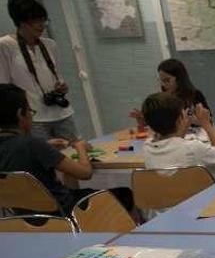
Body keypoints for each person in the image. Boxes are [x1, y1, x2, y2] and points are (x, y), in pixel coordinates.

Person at [0, 83, 133, 215]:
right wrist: (80, 147)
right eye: (30, 111)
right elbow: (85, 173)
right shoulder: (33, 144)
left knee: (69, 181)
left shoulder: (31, 145)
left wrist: (46, 146)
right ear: (20, 114)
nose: (31, 115)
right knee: (125, 194)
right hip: (65, 211)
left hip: (26, 216)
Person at [0, 0, 79, 148]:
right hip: (34, 118)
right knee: (44, 160)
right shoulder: (5, 46)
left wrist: (61, 87)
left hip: (61, 112)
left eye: (44, 20)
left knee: (77, 152)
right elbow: (4, 89)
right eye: (36, 21)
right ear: (22, 22)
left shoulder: (50, 45)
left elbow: (55, 75)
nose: (42, 25)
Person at [142, 92, 215, 175]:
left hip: (164, 189)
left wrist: (182, 128)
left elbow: (173, 145)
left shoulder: (147, 147)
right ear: (180, 119)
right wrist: (206, 124)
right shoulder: (193, 148)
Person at [131, 59, 211, 127]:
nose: (163, 84)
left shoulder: (194, 95)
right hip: (173, 138)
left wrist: (192, 119)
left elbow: (208, 121)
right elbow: (159, 125)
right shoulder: (162, 98)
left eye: (167, 80)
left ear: (179, 79)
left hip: (196, 137)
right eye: (161, 81)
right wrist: (142, 120)